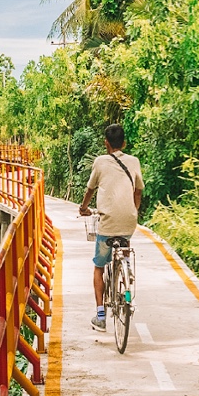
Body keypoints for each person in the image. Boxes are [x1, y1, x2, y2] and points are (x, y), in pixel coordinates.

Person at [78, 124, 144, 331]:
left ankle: (100, 316)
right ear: (124, 143)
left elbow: (90, 189)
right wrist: (133, 210)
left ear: (106, 143)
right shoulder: (134, 161)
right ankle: (126, 264)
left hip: (106, 224)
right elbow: (138, 191)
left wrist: (83, 208)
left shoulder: (100, 162)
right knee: (124, 238)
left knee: (99, 266)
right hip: (129, 221)